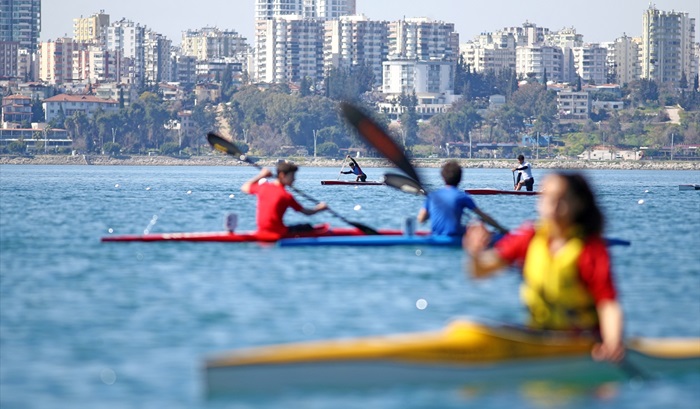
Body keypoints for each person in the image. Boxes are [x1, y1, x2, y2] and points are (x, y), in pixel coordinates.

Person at [464, 172, 625, 363]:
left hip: (582, 342)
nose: (553, 207)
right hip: (538, 336)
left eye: (562, 200)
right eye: (547, 198)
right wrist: (474, 254)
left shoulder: (589, 248)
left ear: (578, 204)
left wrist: (612, 342)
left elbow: (608, 304)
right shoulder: (529, 238)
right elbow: (480, 272)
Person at [417, 160, 508, 237]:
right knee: (477, 225)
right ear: (460, 179)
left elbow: (421, 219)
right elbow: (483, 216)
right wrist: (502, 229)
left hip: (436, 235)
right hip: (455, 235)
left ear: (443, 178)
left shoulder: (433, 196)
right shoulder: (462, 196)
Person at [241, 161, 327, 238]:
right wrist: (320, 208)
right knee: (308, 227)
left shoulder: (263, 187)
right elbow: (306, 212)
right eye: (292, 176)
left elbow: (245, 187)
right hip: (279, 232)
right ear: (282, 175)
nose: (294, 179)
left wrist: (262, 175)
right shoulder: (286, 195)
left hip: (262, 229)